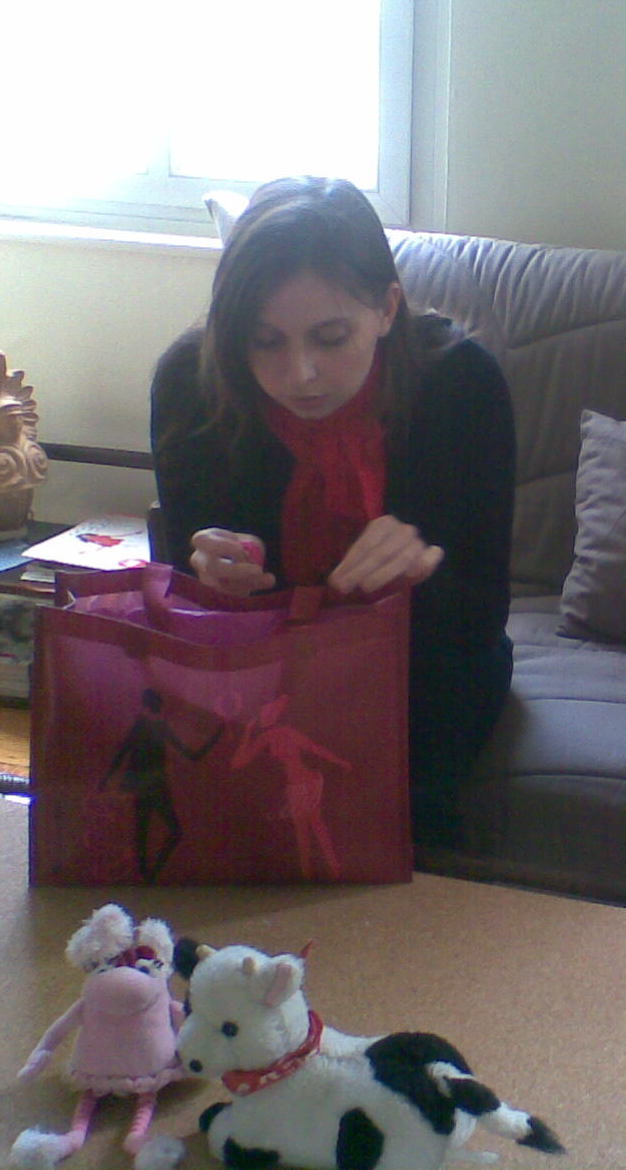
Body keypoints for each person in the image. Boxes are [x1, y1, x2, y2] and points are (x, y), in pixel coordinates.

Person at [150, 176, 515, 848]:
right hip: (261, 664)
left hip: (423, 664)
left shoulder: (462, 386)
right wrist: (207, 580)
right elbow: (181, 603)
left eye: (331, 337)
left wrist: (423, 572)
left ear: (387, 308)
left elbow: (481, 621)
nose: (301, 374)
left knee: (399, 818)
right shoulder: (192, 386)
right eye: (265, 341)